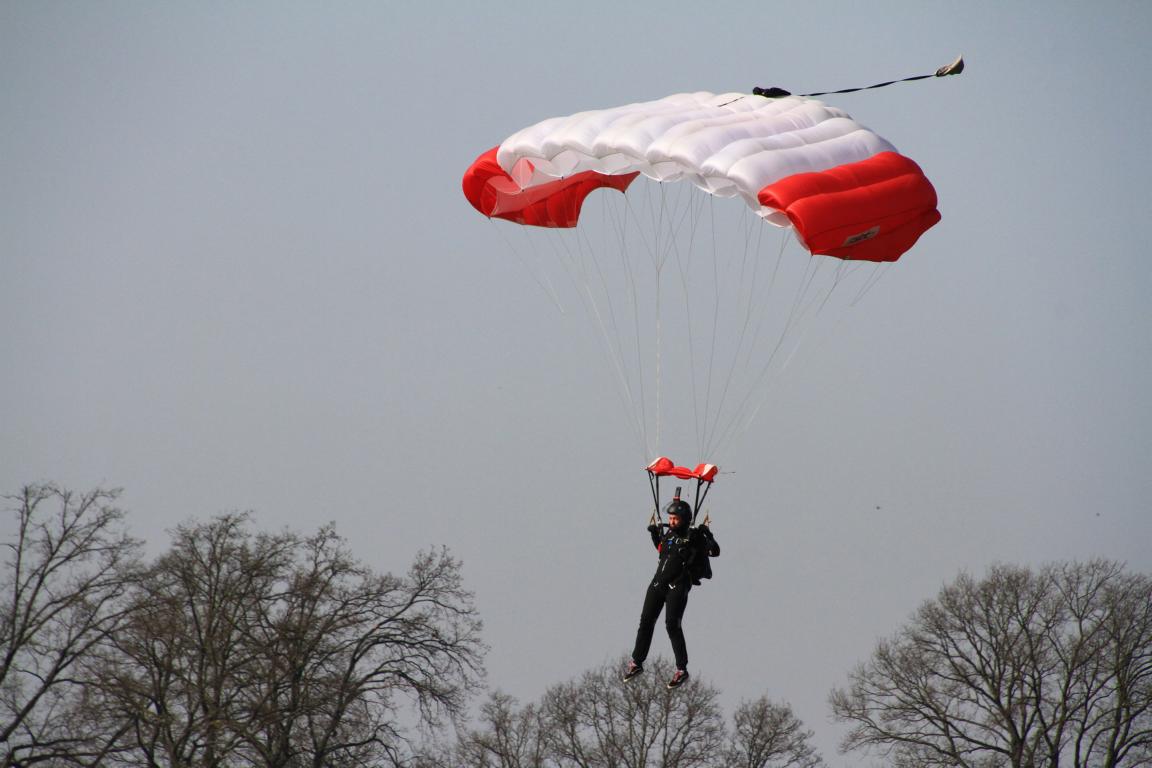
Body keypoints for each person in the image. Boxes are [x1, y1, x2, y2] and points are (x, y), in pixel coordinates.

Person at [622, 494, 720, 688]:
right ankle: (637, 662)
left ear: (684, 519)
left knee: (672, 625)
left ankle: (681, 669)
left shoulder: (694, 537)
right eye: (671, 518)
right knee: (646, 621)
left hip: (678, 585)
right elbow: (664, 552)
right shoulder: (669, 535)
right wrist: (654, 535)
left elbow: (714, 551)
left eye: (675, 518)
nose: (672, 521)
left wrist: (708, 535)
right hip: (658, 584)